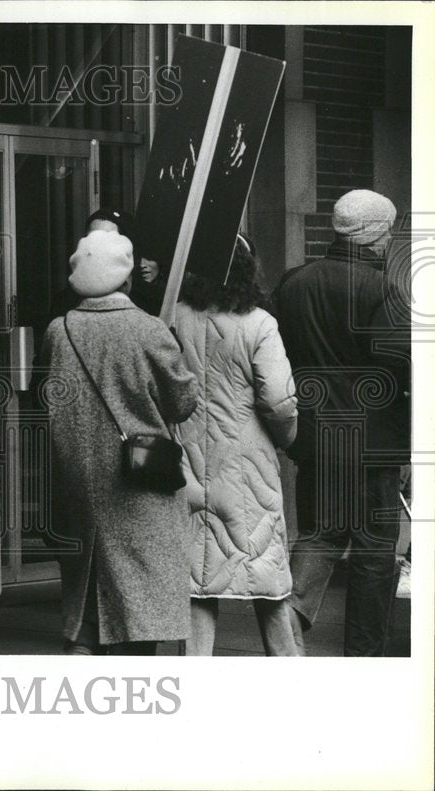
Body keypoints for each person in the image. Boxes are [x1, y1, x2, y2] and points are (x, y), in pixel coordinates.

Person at [41, 229, 198, 655]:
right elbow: (182, 402)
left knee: (88, 603)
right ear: (127, 278)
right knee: (139, 607)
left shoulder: (60, 330)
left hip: (79, 478)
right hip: (139, 478)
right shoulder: (149, 329)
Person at [274, 189, 410, 657]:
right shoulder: (382, 290)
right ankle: (363, 657)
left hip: (314, 437)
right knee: (374, 553)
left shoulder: (293, 283)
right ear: (372, 234)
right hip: (374, 441)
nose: (390, 237)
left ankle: (287, 615)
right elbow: (400, 366)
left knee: (320, 534)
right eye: (388, 229)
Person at [175, 233, 300, 656]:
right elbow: (280, 401)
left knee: (199, 580)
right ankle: (292, 678)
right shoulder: (260, 324)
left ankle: (191, 686)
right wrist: (284, 440)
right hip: (249, 464)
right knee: (266, 577)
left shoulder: (175, 318)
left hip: (190, 461)